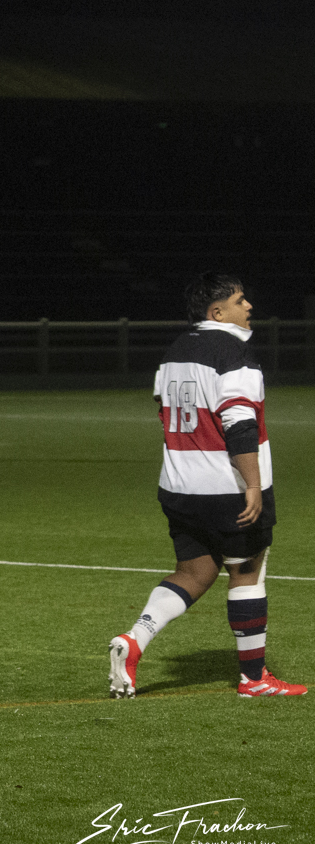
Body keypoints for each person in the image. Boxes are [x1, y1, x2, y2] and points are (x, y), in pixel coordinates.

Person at [108, 273, 305, 699]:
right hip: (225, 487)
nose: (249, 306)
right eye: (239, 300)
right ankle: (254, 678)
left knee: (194, 572)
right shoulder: (234, 353)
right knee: (248, 573)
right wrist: (252, 484)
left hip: (178, 485)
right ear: (217, 312)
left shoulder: (176, 349)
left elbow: (162, 406)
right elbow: (239, 421)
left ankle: (134, 639)